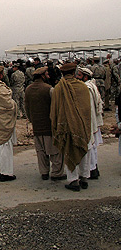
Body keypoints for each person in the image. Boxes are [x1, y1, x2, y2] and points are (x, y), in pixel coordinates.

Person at [50, 62, 91, 192]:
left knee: (69, 149)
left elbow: (54, 109)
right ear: (74, 73)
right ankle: (84, 177)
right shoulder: (83, 87)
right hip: (82, 124)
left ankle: (73, 180)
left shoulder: (58, 88)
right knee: (83, 147)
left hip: (66, 125)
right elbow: (86, 108)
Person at [25, 66, 65, 181]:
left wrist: (32, 119)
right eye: (46, 74)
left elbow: (27, 107)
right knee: (55, 151)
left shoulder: (28, 89)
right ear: (42, 76)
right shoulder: (49, 89)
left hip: (37, 126)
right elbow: (56, 107)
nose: (48, 76)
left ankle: (44, 172)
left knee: (41, 151)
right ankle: (57, 173)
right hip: (49, 125)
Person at [76, 66, 103, 179]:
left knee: (90, 147)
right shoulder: (92, 85)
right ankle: (93, 168)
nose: (77, 77)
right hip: (93, 121)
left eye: (80, 75)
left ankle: (91, 170)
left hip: (90, 121)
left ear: (85, 77)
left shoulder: (87, 88)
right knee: (93, 147)